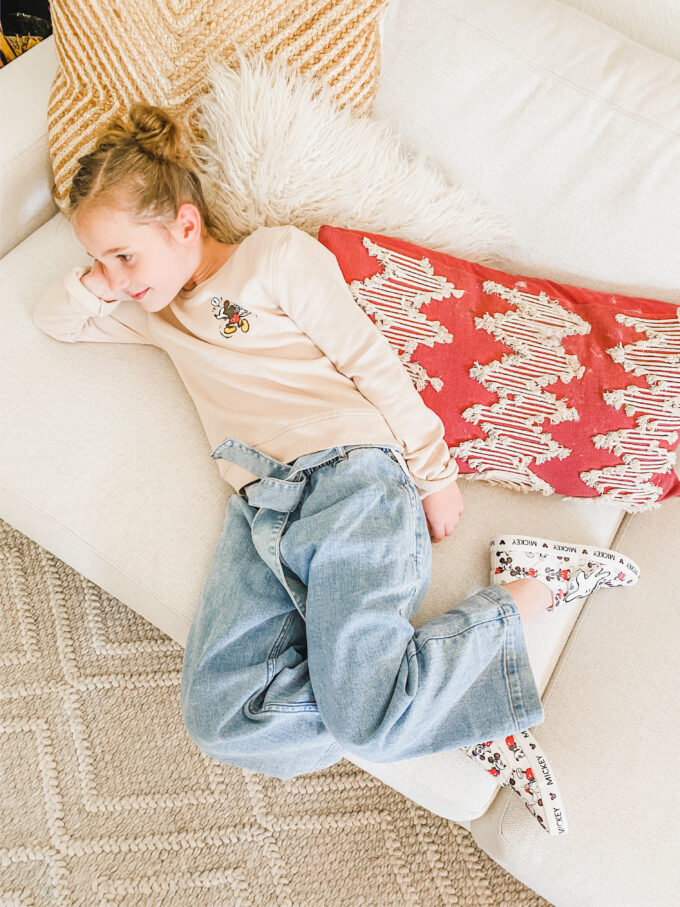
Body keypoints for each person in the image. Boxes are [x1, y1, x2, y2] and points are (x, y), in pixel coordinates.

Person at [33, 103, 640, 837]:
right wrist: (98, 284)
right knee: (222, 716)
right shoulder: (158, 313)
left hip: (352, 482)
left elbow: (372, 364)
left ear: (185, 225)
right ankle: (435, 699)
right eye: (100, 261)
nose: (115, 277)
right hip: (262, 511)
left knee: (364, 717)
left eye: (124, 255)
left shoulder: (276, 258)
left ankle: (532, 587)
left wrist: (434, 472)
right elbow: (54, 319)